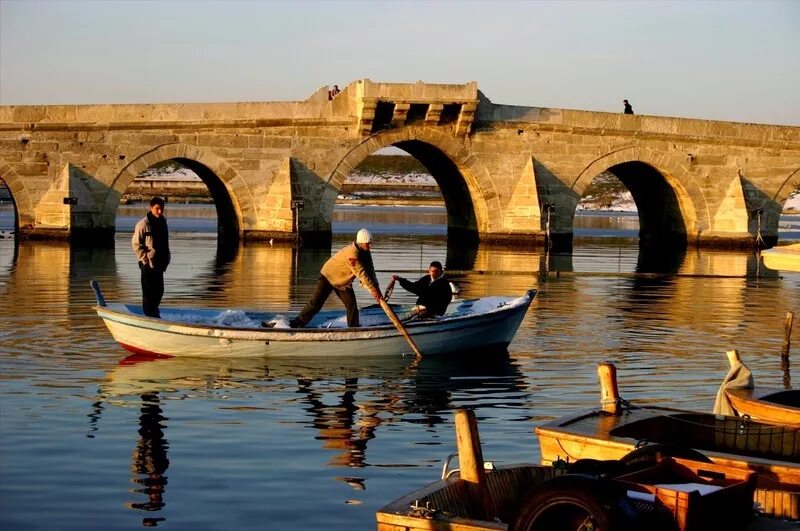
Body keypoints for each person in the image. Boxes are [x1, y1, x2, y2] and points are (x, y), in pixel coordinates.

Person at [288, 228, 381, 328]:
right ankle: (296, 323)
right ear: (361, 242)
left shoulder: (366, 252)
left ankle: (354, 328)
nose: (370, 246)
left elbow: (370, 270)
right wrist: (373, 289)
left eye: (371, 243)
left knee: (351, 305)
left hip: (342, 282)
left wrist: (377, 289)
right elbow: (361, 273)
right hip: (328, 277)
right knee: (316, 304)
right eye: (368, 243)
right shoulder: (352, 254)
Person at [132, 197, 170, 318]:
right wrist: (144, 258)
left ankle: (153, 312)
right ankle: (150, 315)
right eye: (157, 209)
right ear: (151, 208)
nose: (160, 212)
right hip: (148, 263)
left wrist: (167, 257)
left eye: (162, 209)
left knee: (159, 291)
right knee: (149, 292)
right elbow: (136, 244)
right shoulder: (143, 224)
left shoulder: (163, 221)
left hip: (160, 262)